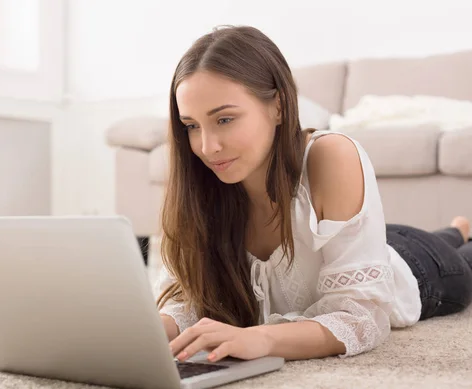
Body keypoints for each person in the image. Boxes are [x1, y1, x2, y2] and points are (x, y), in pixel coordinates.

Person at [154, 25, 472, 363]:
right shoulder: (200, 185)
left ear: (277, 106)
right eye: (191, 126)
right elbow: (186, 299)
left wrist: (260, 338)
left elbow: (363, 318)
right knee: (429, 236)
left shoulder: (329, 156)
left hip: (418, 266)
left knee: (460, 258)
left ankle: (459, 233)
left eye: (225, 119)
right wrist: (155, 328)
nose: (207, 147)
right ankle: (457, 228)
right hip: (357, 246)